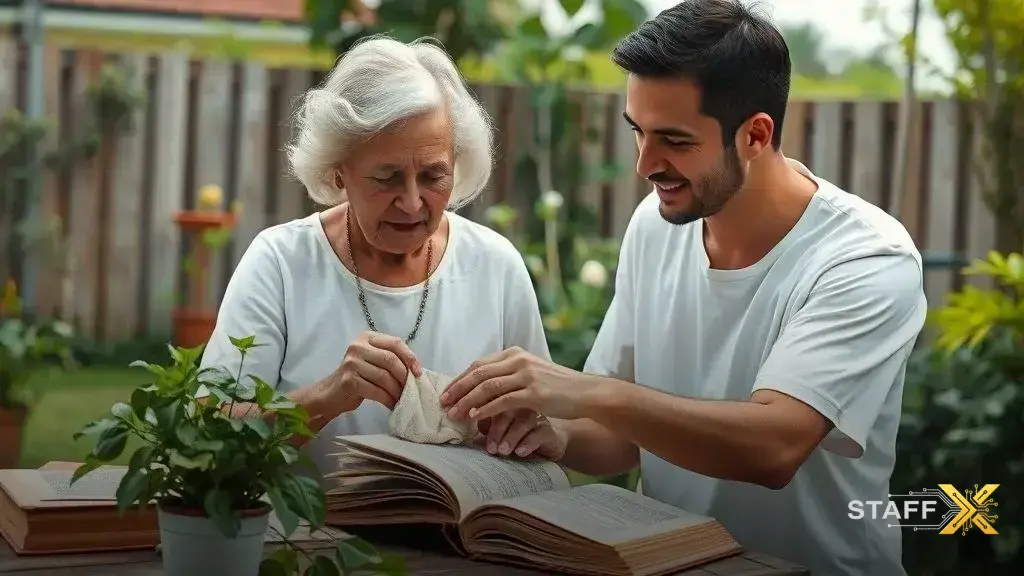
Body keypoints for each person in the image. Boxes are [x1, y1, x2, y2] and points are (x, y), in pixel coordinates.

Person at [439, 2, 927, 575]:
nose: (646, 163)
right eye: (638, 132)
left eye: (674, 139)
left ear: (755, 134)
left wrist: (588, 393)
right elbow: (625, 436)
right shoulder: (657, 223)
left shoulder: (865, 258)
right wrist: (554, 436)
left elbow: (774, 446)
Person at [197, 36, 555, 479]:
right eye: (387, 178)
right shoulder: (280, 263)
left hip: (462, 543)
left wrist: (519, 428)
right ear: (337, 171)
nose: (412, 202)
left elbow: (543, 422)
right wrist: (328, 395)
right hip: (306, 543)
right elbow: (208, 437)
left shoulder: (495, 265)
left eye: (433, 176)